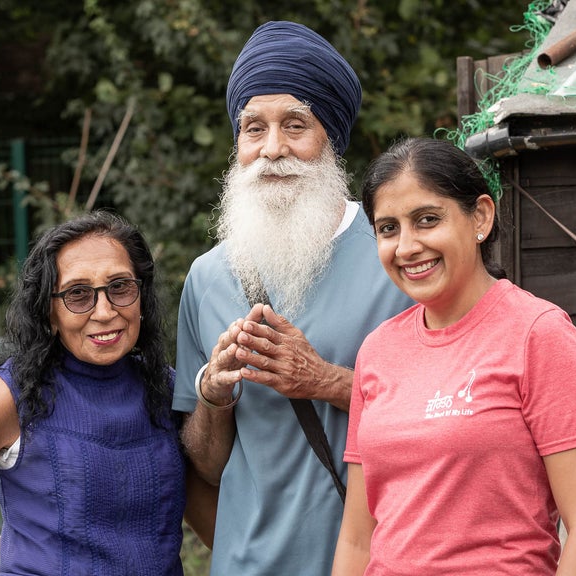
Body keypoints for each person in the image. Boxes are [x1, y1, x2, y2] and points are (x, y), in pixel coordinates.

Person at [172, 20, 413, 575]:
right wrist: (213, 393)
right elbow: (205, 469)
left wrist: (325, 381)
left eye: (295, 125)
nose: (272, 149)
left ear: (331, 136)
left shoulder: (399, 260)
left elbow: (448, 416)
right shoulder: (207, 278)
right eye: (253, 128)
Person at [331, 137, 576, 575]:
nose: (406, 246)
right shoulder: (377, 350)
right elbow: (357, 538)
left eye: (427, 220)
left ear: (480, 217)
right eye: (388, 228)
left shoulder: (538, 334)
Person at [0, 211, 186, 575]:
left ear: (141, 297)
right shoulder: (15, 396)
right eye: (78, 294)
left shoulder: (165, 388)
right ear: (49, 313)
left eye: (120, 286)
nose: (104, 311)